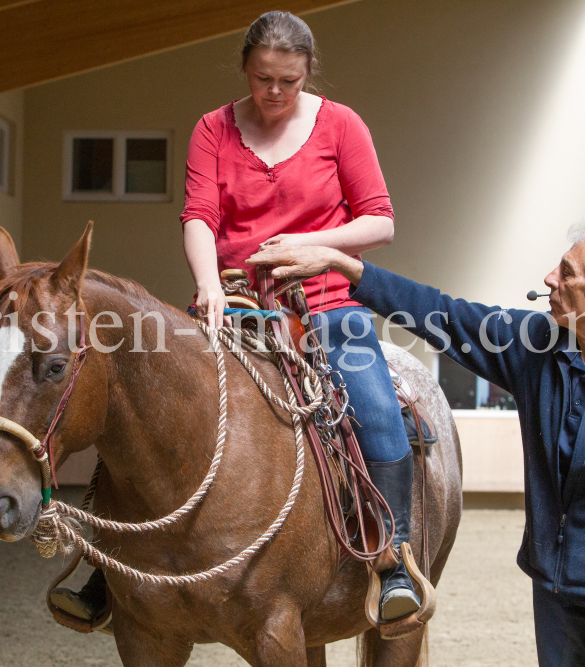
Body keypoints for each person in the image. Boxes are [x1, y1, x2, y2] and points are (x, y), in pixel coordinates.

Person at [52, 11, 423, 626]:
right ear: (245, 70)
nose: (273, 93)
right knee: (144, 405)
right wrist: (206, 285)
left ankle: (391, 560)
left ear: (307, 74)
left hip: (325, 303)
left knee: (377, 408)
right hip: (232, 300)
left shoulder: (341, 125)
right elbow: (198, 214)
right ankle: (110, 567)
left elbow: (380, 220)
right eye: (261, 79)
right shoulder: (212, 129)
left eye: (288, 81)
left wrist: (311, 247)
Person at [248, 223, 585, 667]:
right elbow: (445, 314)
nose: (549, 279)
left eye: (567, 272)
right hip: (553, 584)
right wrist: (350, 268)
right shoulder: (537, 347)